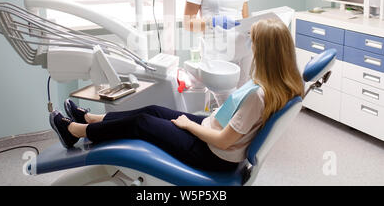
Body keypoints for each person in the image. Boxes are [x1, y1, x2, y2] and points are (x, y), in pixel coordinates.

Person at [49, 18, 304, 172]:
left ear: (267, 51)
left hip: (212, 154)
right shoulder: (278, 86)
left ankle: (74, 131)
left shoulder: (258, 96)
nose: (251, 45)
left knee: (142, 124)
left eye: (254, 41)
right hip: (212, 133)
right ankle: (91, 119)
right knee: (153, 110)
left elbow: (225, 142)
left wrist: (187, 126)